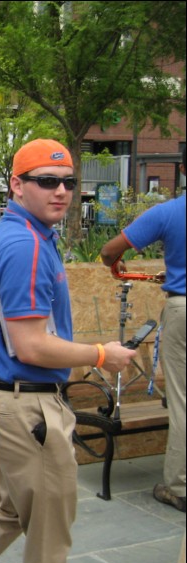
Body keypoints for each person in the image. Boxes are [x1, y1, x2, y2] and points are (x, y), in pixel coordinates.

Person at [0, 139, 137, 563]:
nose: (60, 191)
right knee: (50, 542)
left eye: (68, 182)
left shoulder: (24, 236)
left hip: (13, 405)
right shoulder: (26, 246)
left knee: (9, 515)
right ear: (17, 185)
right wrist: (102, 355)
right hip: (28, 409)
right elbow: (31, 345)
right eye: (46, 181)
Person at [100, 148, 185, 513]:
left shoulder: (169, 212)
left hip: (182, 308)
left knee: (181, 401)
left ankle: (179, 486)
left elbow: (108, 252)